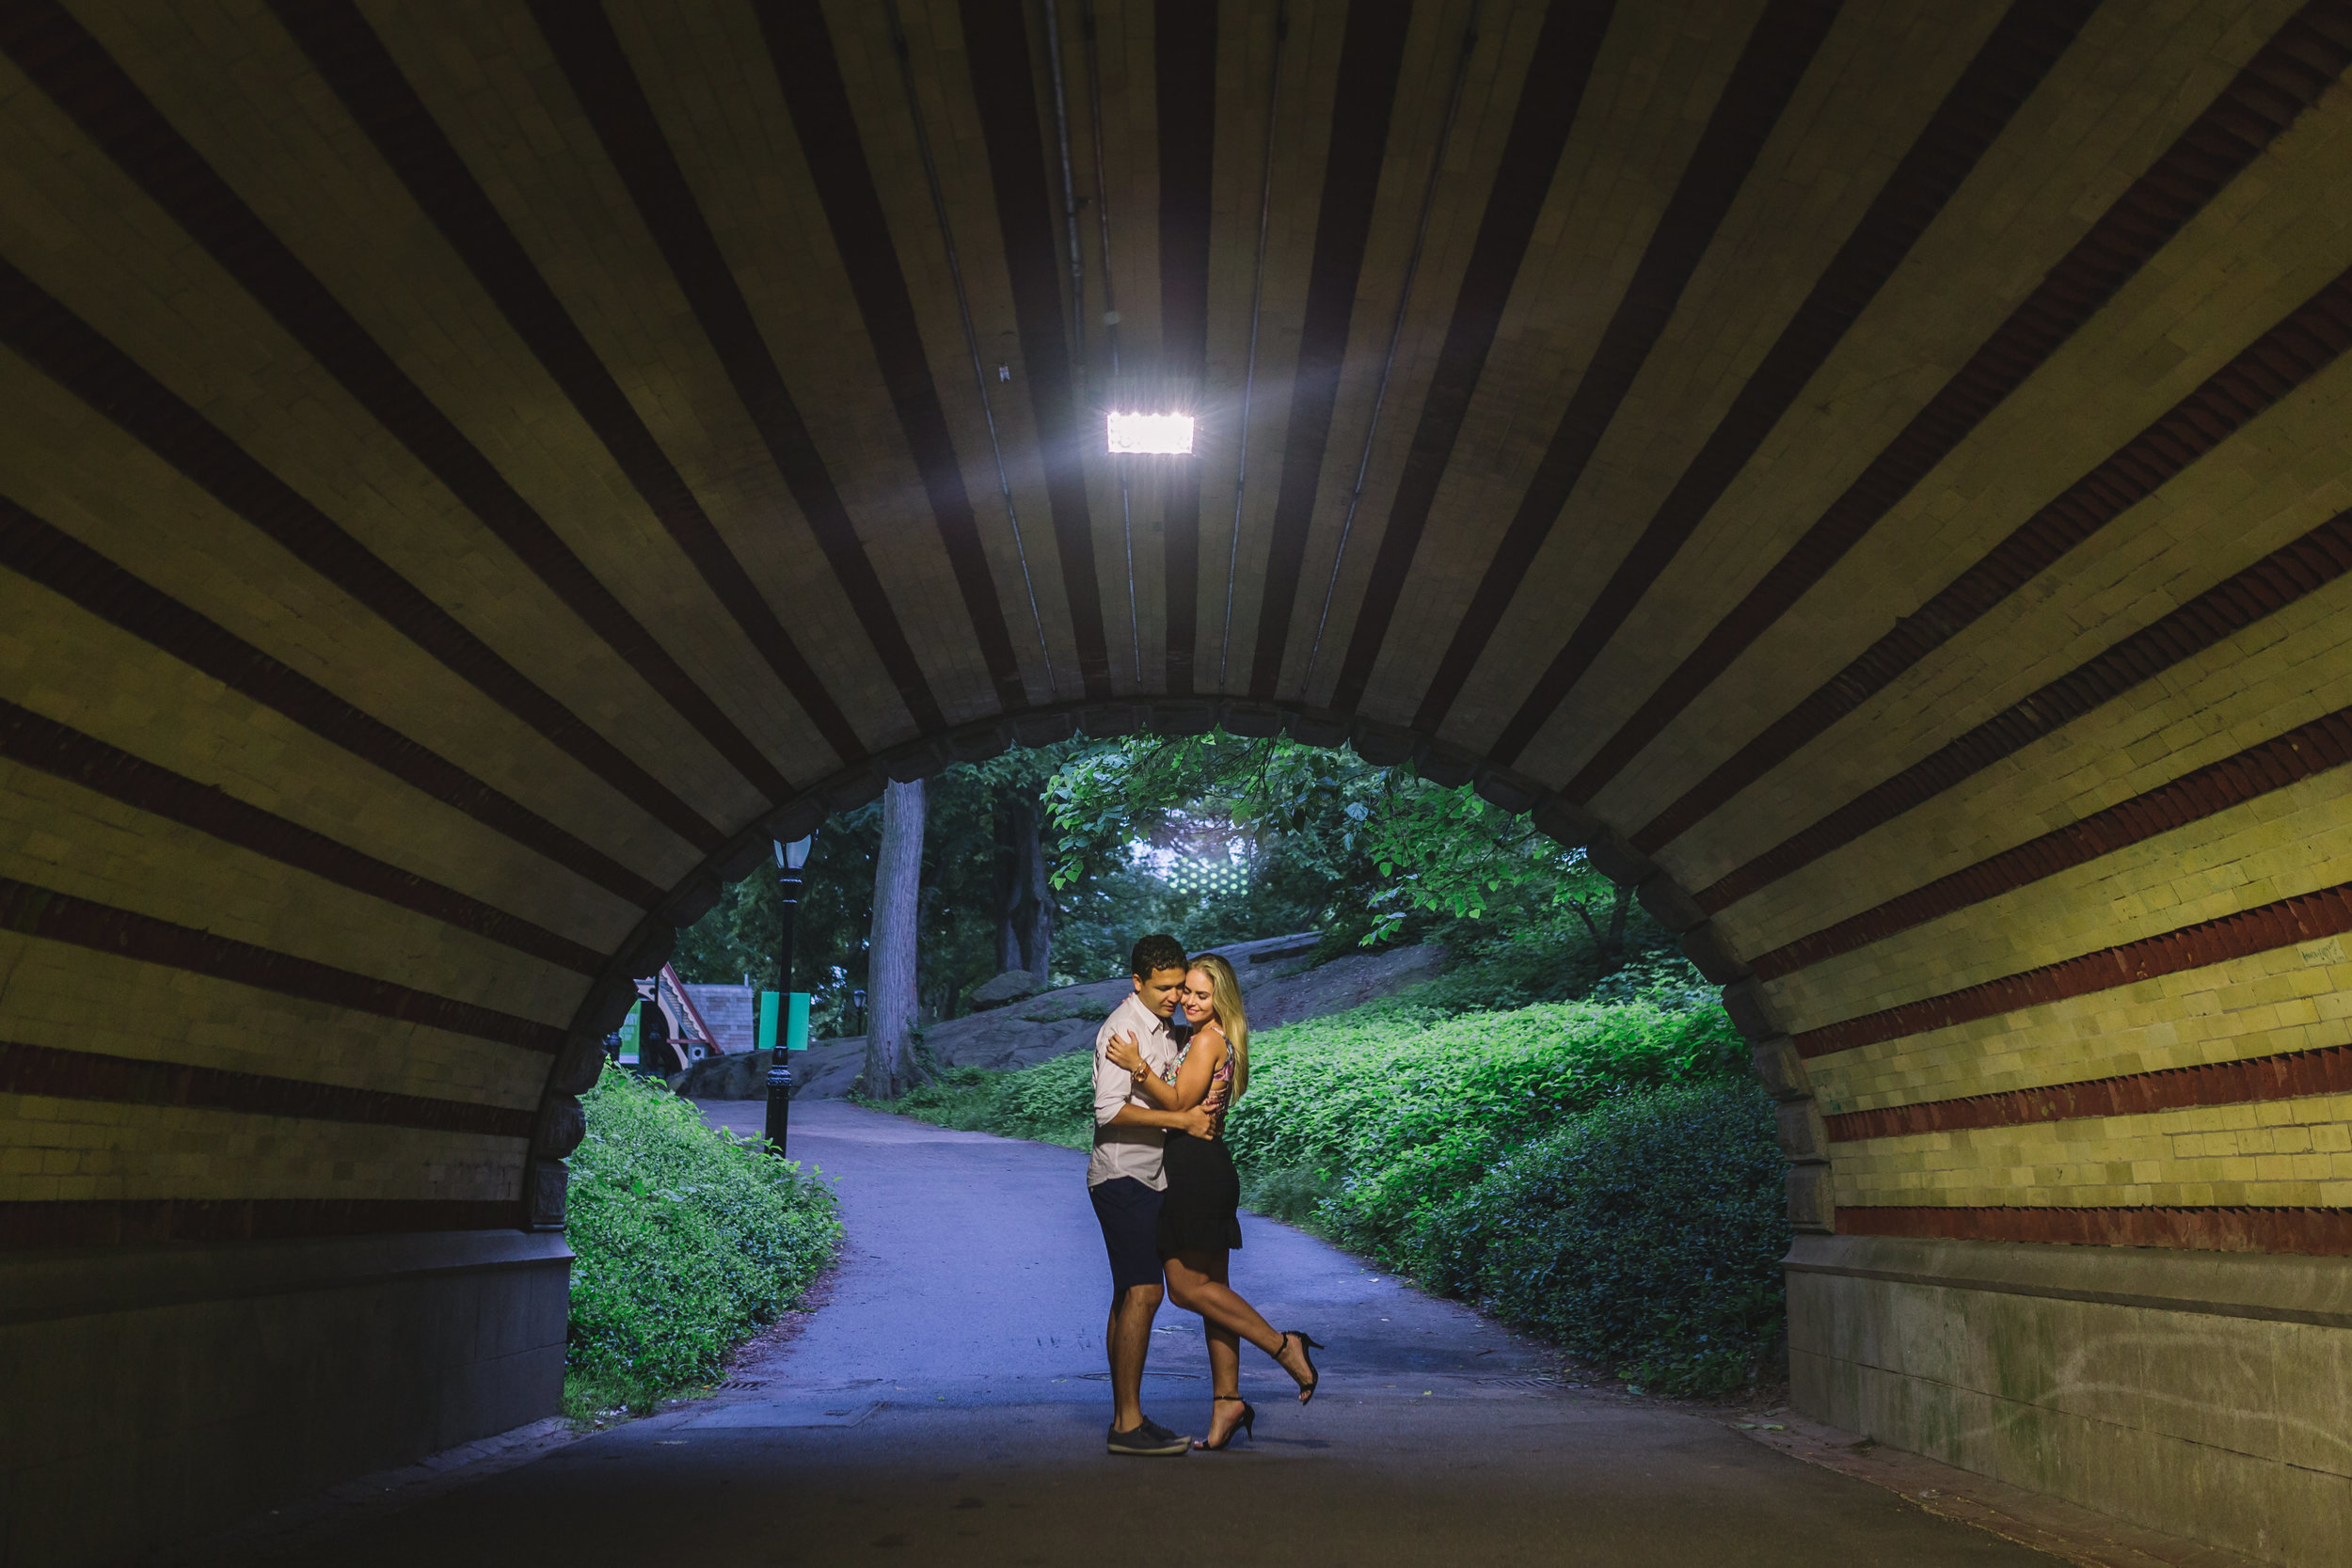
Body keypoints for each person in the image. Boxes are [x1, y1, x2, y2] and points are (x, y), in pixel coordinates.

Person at [1107, 952, 1324, 1449]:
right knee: (1214, 1293)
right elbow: (1176, 1047)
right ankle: (1227, 1402)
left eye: (1202, 995)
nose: (1188, 1000)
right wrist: (1141, 1008)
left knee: (1185, 1289)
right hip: (1205, 1167)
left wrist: (1137, 1066)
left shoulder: (1207, 1040)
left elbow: (1180, 1103)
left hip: (1194, 1172)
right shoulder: (1205, 1036)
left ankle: (1283, 1345)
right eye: (1186, 991)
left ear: (1220, 999)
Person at [1089, 934, 1217, 1457]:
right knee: (1145, 1291)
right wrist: (1181, 1120)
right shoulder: (1124, 1029)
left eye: (1178, 986)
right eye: (1163, 987)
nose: (1173, 996)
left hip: (1148, 1177)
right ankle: (1127, 1425)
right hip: (1123, 1176)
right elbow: (1108, 1110)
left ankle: (1128, 1419)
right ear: (1137, 982)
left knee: (1129, 1294)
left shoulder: (1161, 1027)